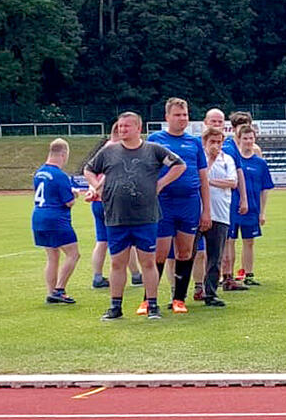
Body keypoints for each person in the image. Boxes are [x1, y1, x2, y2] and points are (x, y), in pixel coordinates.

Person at [84, 112, 185, 321]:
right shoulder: (109, 152)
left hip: (145, 216)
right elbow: (89, 169)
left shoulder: (153, 150)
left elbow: (179, 165)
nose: (122, 129)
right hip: (116, 216)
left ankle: (152, 305)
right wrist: (96, 187)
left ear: (138, 128)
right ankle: (115, 306)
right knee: (117, 263)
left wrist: (161, 183)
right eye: (120, 126)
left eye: (127, 126)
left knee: (147, 262)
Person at [147, 98, 210, 315]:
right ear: (167, 117)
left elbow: (203, 178)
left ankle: (179, 299)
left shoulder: (194, 143)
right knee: (160, 253)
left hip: (189, 203)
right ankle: (149, 299)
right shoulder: (155, 140)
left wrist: (206, 209)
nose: (182, 118)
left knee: (185, 252)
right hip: (163, 203)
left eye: (185, 115)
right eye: (177, 115)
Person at [82, 123, 142, 289]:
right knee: (126, 240)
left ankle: (97, 276)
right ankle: (136, 275)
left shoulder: (102, 150)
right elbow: (109, 174)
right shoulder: (118, 151)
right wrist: (98, 188)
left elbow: (91, 172)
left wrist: (92, 189)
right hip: (112, 202)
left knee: (102, 240)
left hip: (97, 202)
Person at [204, 108, 248, 291]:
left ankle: (226, 277)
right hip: (202, 206)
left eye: (220, 122)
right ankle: (199, 286)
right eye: (213, 121)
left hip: (225, 203)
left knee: (227, 242)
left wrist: (244, 198)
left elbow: (238, 173)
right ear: (205, 122)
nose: (216, 125)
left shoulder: (229, 147)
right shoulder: (198, 145)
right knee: (199, 250)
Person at [31, 138, 80, 305]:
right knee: (73, 254)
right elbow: (68, 202)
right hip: (55, 219)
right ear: (63, 154)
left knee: (53, 256)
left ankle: (51, 292)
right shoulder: (60, 175)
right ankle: (59, 289)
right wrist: (74, 194)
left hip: (38, 216)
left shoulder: (39, 173)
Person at [228, 124, 274, 285]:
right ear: (239, 139)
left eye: (251, 138)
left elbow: (265, 189)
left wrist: (262, 212)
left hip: (252, 209)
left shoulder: (260, 163)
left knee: (249, 241)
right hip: (232, 209)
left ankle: (248, 274)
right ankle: (227, 275)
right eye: (245, 138)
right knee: (229, 242)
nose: (248, 141)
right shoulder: (233, 160)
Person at [199, 125, 236, 307]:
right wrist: (211, 161)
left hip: (221, 213)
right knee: (187, 255)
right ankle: (180, 294)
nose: (216, 145)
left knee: (215, 257)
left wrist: (210, 181)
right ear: (204, 142)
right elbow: (199, 179)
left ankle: (210, 293)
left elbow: (233, 182)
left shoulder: (227, 159)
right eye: (212, 141)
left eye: (219, 142)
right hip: (199, 212)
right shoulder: (200, 159)